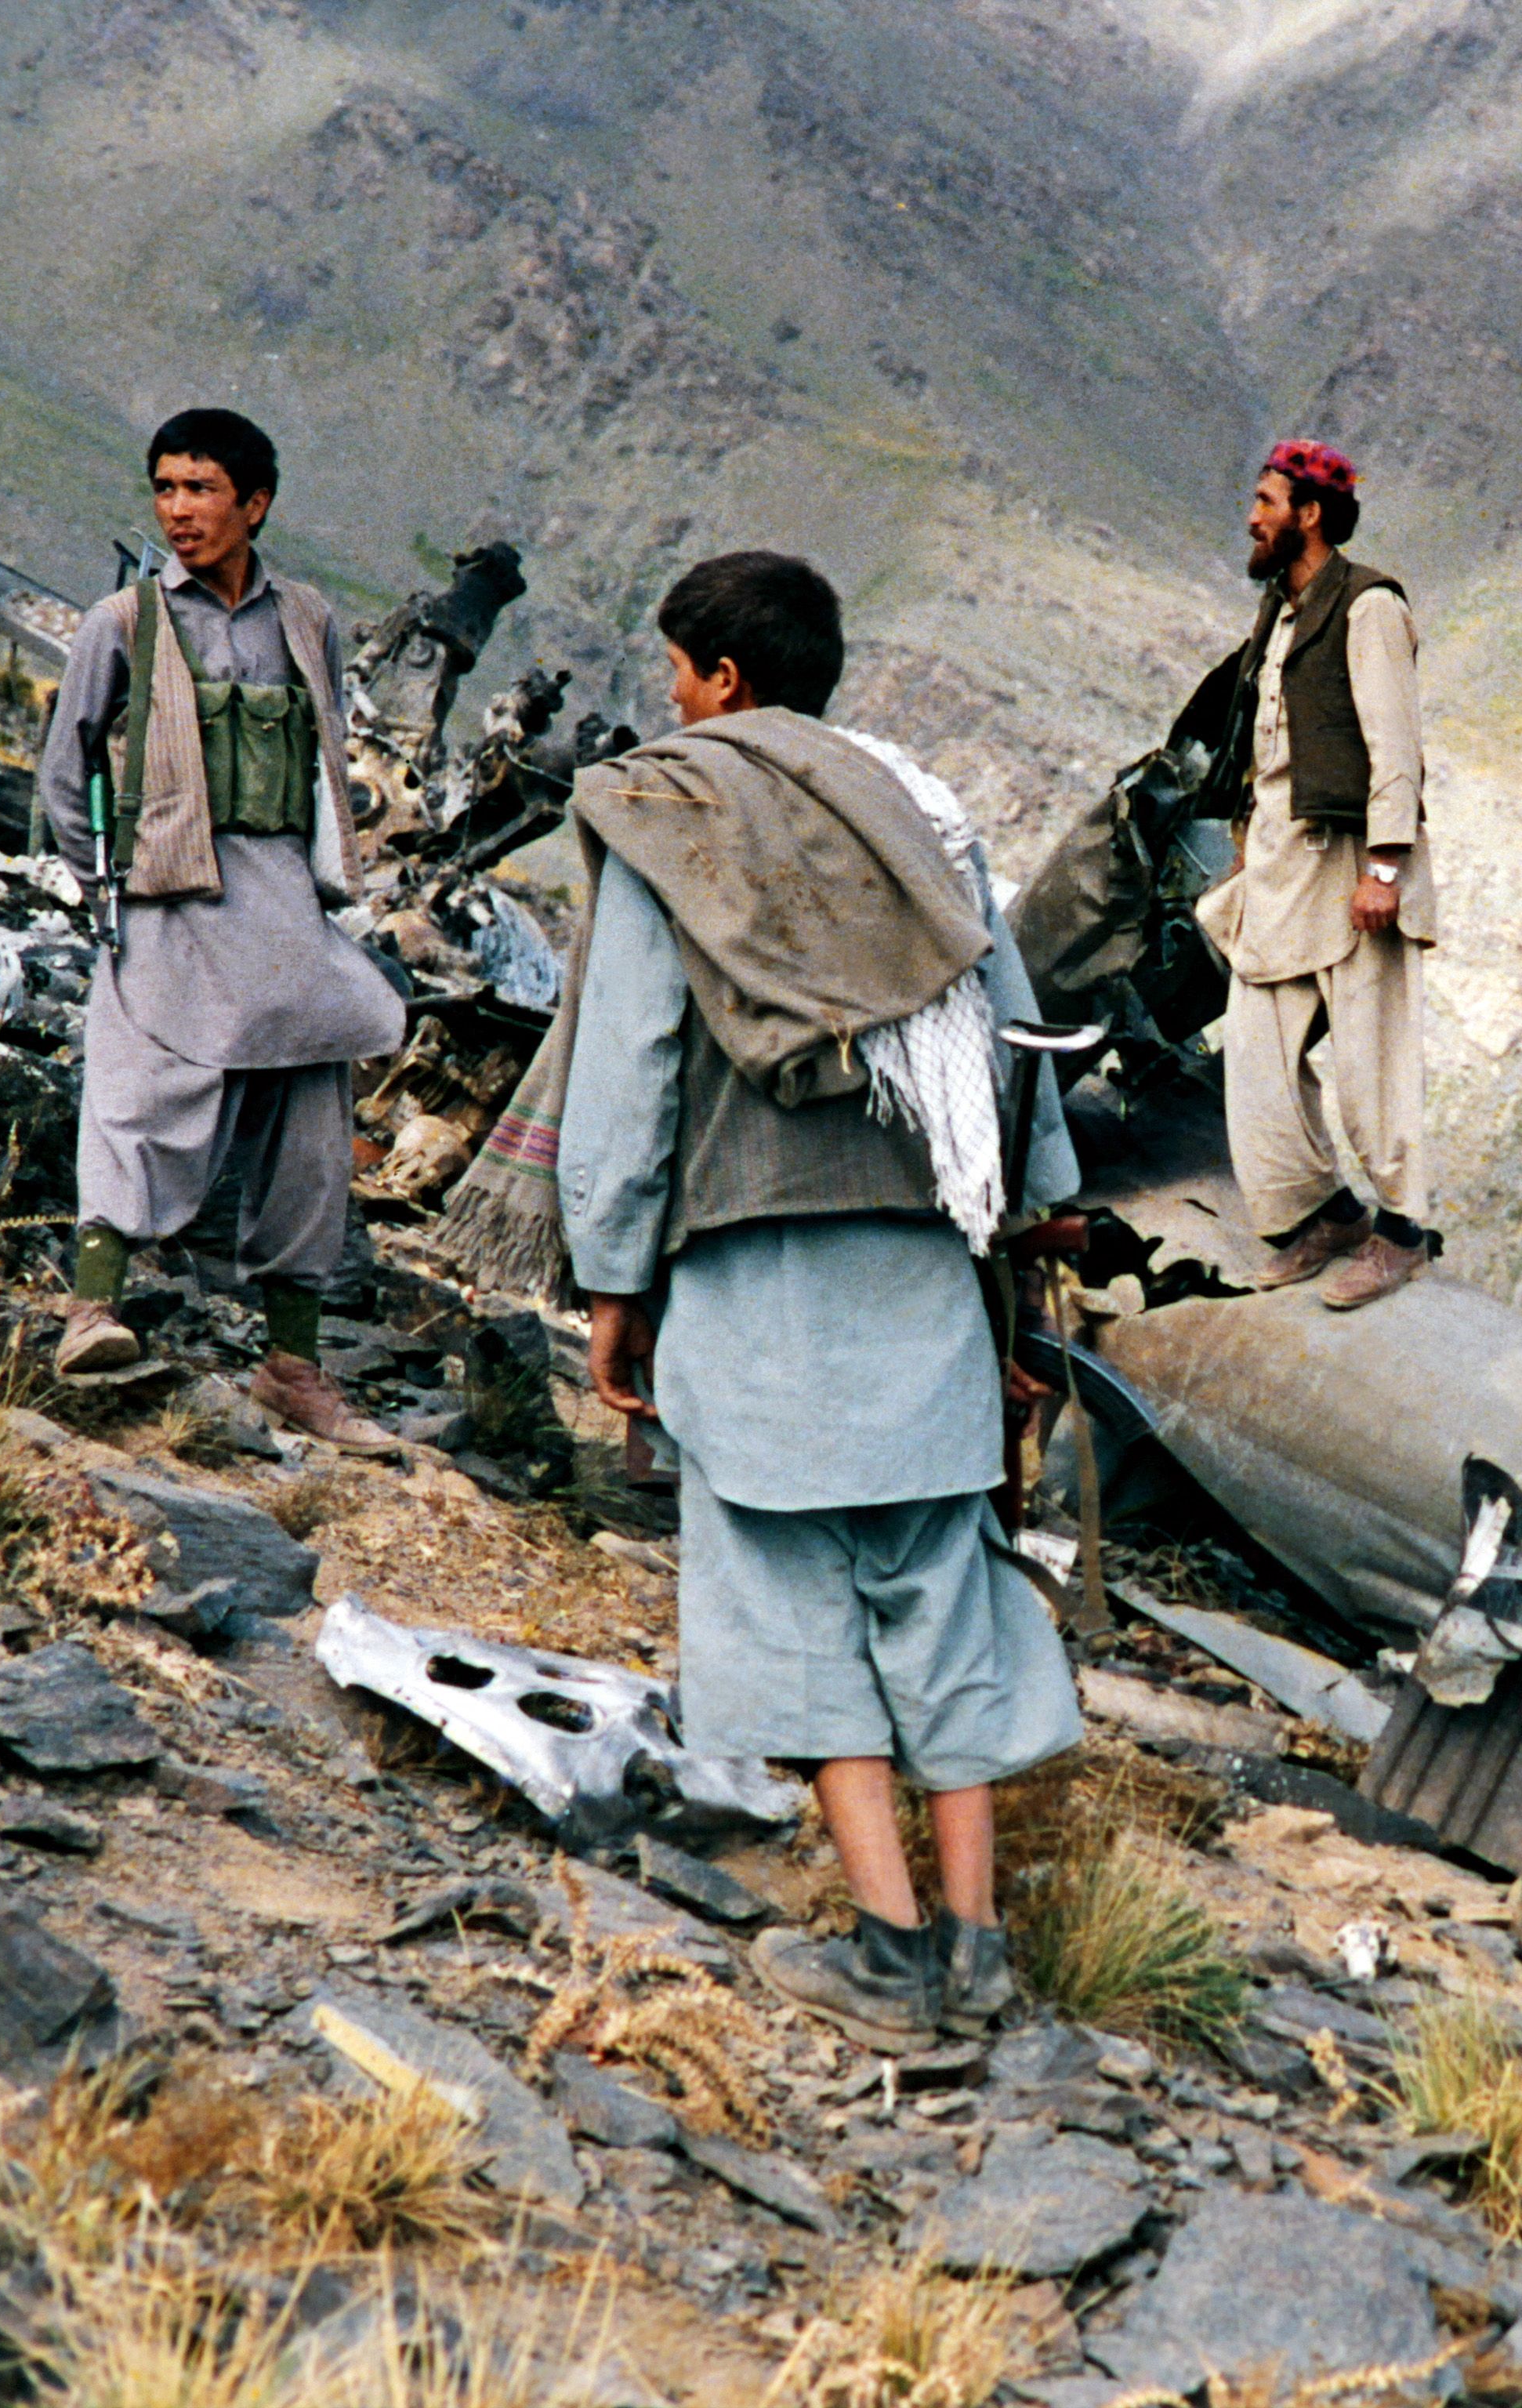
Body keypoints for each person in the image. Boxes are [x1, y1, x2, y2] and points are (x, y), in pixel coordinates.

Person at [450, 549, 1082, 2051]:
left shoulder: (676, 807)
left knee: (793, 1608)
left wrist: (607, 1276)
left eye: (678, 667)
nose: (670, 696)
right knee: (943, 1597)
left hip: (753, 1267)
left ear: (724, 679)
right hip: (929, 1266)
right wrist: (1028, 1245)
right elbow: (1009, 1035)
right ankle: (980, 1951)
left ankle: (887, 1949)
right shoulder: (923, 815)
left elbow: (633, 1061)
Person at [35, 408, 404, 1447]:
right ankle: (91, 1313)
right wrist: (100, 885)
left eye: (200, 489)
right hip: (167, 897)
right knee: (137, 1091)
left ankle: (293, 1368)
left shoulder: (309, 620)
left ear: (255, 503)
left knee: (311, 1131)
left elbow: (327, 756)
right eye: (164, 488)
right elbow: (66, 775)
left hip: (286, 902)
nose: (178, 511)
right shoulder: (122, 622)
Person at [1190, 438, 1440, 1309]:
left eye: (1266, 501)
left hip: (1350, 869)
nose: (1252, 518)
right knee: (1257, 1066)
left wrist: (1382, 870)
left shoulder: (1367, 607)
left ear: (1310, 514)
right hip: (1277, 870)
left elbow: (1395, 752)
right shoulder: (1281, 612)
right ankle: (1324, 1214)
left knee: (1373, 1066)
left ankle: (1402, 1234)